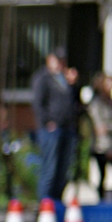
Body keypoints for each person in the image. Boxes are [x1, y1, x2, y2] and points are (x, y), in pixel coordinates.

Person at [32, 48, 79, 203]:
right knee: (49, 170)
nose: (61, 64)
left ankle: (56, 206)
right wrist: (47, 122)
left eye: (63, 61)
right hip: (51, 130)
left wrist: (74, 84)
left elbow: (76, 102)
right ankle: (45, 207)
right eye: (58, 60)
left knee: (62, 171)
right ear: (49, 60)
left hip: (67, 128)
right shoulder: (43, 78)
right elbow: (38, 104)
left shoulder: (65, 80)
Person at [87, 72, 112, 201]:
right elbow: (100, 128)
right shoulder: (97, 103)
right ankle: (101, 201)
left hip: (109, 143)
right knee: (102, 175)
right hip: (101, 145)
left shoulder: (109, 102)